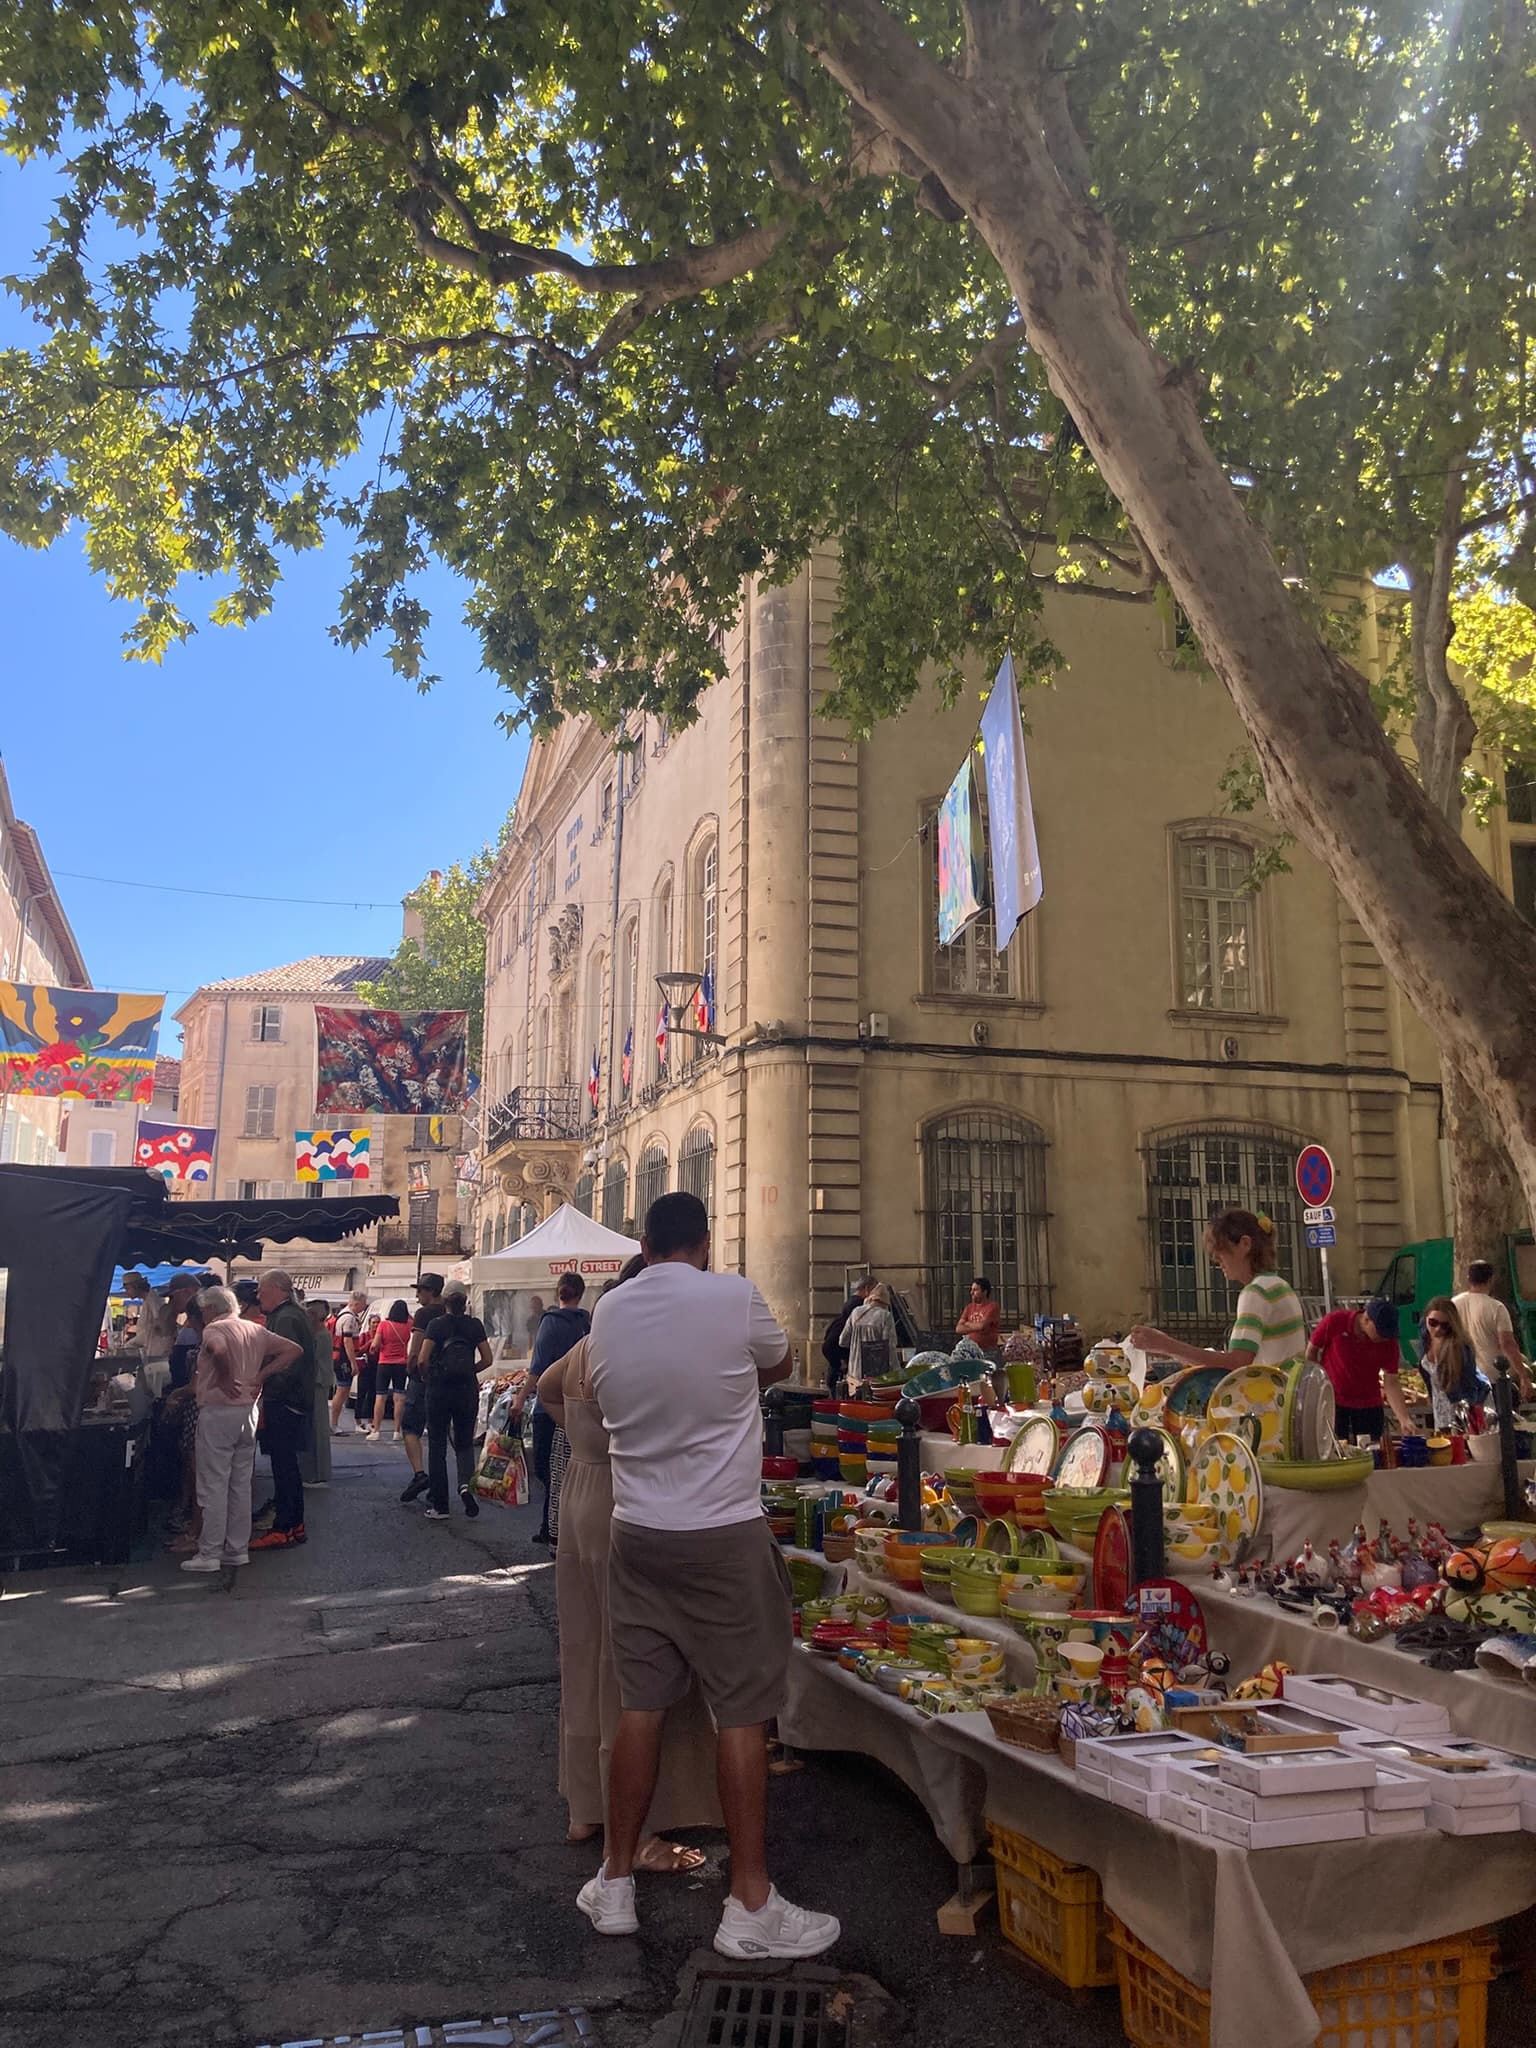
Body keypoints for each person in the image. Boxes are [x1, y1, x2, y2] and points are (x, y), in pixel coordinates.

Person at [580, 1191, 838, 1959]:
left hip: (637, 1534)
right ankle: (750, 1901)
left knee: (642, 1705)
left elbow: (593, 1389)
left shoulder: (609, 1311)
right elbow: (780, 1364)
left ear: (646, 1244)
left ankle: (615, 1881)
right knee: (742, 1715)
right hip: (722, 1534)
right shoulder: (733, 1296)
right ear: (704, 1242)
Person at [539, 1252, 719, 1871]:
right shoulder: (639, 1349)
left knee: (584, 1649)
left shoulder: (587, 1344)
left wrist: (580, 1435)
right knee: (635, 1661)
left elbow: (545, 1388)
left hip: (580, 1493)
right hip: (624, 1495)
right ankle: (636, 1831)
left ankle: (585, 1806)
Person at [181, 1287, 304, 1572]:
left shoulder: (215, 1329)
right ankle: (236, 1549)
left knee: (213, 1483)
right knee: (239, 1483)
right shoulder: (254, 1329)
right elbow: (293, 1350)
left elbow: (218, 1350)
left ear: (210, 1308)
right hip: (248, 1411)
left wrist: (225, 1378)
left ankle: (210, 1552)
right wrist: (262, 1375)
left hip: (217, 1411)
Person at [1128, 1209, 1306, 1371]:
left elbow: (1236, 1362)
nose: (1217, 1261)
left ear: (1245, 1244)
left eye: (1221, 1252)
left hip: (1271, 1393)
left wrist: (1166, 1345)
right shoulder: (1279, 1285)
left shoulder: (1256, 1293)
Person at [250, 1270, 317, 1550]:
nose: (257, 1296)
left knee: (284, 1467)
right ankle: (294, 1525)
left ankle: (284, 1527)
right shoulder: (289, 1314)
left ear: (277, 1289)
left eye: (261, 1290)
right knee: (287, 1467)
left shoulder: (286, 1317)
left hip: (286, 1400)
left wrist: (262, 1379)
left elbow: (287, 1361)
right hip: (291, 1399)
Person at [523, 1273, 590, 1545]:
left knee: (546, 1469)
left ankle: (553, 1527)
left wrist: (520, 1398)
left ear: (557, 1292)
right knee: (569, 1468)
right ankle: (553, 1525)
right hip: (579, 1403)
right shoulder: (587, 1323)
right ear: (580, 1294)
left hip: (549, 1406)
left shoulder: (549, 1323)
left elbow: (537, 1369)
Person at [417, 1288, 492, 1520]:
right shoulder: (475, 1325)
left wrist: (429, 1376)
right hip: (466, 1390)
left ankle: (440, 1505)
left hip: (439, 1389)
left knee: (437, 1445)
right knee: (464, 1443)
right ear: (465, 1303)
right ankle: (465, 1487)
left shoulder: (436, 1325)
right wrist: (470, 1371)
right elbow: (488, 1359)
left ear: (445, 1303)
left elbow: (422, 1359)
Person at [1306, 1299, 1414, 1440]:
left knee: (1371, 1449)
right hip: (1334, 1402)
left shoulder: (1389, 1343)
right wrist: (1319, 1385)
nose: (1384, 1338)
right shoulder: (1335, 1321)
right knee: (1335, 1448)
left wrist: (1404, 1419)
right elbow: (1311, 1352)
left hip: (1369, 1405)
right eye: (1381, 1332)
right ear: (1366, 1319)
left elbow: (1391, 1382)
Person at [1453, 1263, 1535, 1401]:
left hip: (1464, 1378)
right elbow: (1507, 1344)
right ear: (1491, 1280)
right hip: (1493, 1379)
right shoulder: (1496, 1308)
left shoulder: (1454, 1304)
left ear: (1468, 1278)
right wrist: (1523, 1377)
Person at [399, 1272, 447, 1505]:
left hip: (422, 1377)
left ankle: (419, 1473)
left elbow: (416, 1349)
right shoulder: (450, 1313)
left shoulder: (424, 1314)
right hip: (445, 1379)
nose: (417, 1295)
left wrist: (410, 1368)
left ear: (431, 1291)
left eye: (420, 1290)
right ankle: (441, 1487)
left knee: (410, 1427)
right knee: (437, 1435)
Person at [1419, 1296, 1484, 1430]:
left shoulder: (1459, 1348)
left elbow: (1470, 1387)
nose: (1437, 1329)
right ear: (1426, 1319)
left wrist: (1469, 1420)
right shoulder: (1425, 1339)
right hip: (1439, 1412)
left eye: (1444, 1325)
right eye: (1433, 1322)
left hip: (1459, 1414)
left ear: (1452, 1325)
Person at [820, 1275, 874, 1389]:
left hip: (837, 1367)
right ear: (867, 1289)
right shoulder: (859, 1307)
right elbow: (833, 1343)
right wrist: (840, 1364)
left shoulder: (850, 1304)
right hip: (842, 1369)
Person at [371, 1300, 414, 1442]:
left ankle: (376, 1431)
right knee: (399, 1398)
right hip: (401, 1364)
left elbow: (375, 1345)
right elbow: (413, 1321)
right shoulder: (408, 1325)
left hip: (384, 1363)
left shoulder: (383, 1325)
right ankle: (397, 1431)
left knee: (380, 1397)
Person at [330, 1290, 368, 1433]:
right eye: (363, 1303)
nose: (364, 1306)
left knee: (343, 1391)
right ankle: (334, 1424)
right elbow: (347, 1341)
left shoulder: (345, 1315)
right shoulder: (349, 1318)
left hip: (341, 1357)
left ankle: (334, 1423)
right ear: (357, 1303)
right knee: (342, 1390)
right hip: (343, 1358)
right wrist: (353, 1362)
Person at [846, 1281, 898, 1384]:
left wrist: (856, 1346)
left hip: (854, 1373)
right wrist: (897, 1371)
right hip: (876, 1373)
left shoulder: (856, 1312)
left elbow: (843, 1340)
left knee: (854, 1393)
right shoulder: (885, 1316)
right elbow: (889, 1347)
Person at [955, 1276, 1001, 1351]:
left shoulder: (992, 1307)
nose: (971, 1293)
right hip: (970, 1350)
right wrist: (975, 1327)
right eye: (971, 1290)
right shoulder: (969, 1307)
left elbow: (981, 1326)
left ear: (985, 1292)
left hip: (987, 1351)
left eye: (975, 1290)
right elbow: (958, 1329)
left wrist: (967, 1323)